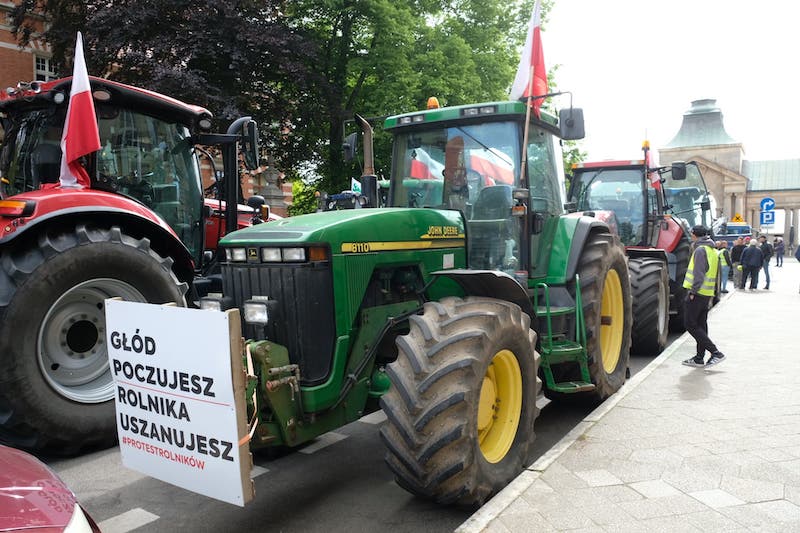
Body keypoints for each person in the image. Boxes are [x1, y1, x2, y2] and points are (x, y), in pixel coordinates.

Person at [681, 225, 725, 368]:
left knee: (690, 324)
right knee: (701, 325)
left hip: (697, 294)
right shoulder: (712, 250)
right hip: (706, 294)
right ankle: (699, 358)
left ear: (694, 235)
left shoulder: (700, 250)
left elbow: (698, 274)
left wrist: (693, 292)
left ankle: (716, 352)